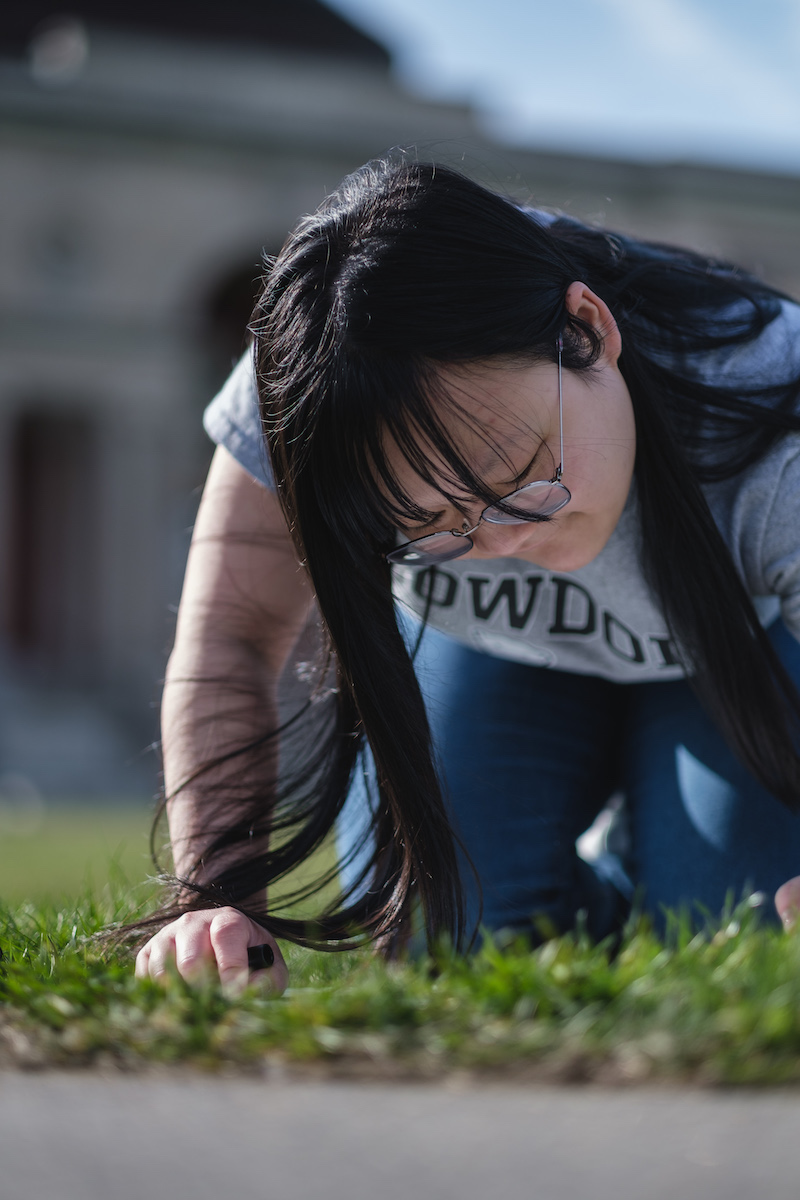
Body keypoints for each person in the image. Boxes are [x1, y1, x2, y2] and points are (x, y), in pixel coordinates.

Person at [135, 158, 800, 994]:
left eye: (521, 473)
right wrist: (216, 902)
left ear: (587, 332)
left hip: (749, 644)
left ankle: (658, 850)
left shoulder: (777, 413)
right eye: (426, 525)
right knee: (448, 941)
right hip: (498, 658)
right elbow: (231, 641)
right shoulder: (309, 395)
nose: (508, 536)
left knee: (729, 943)